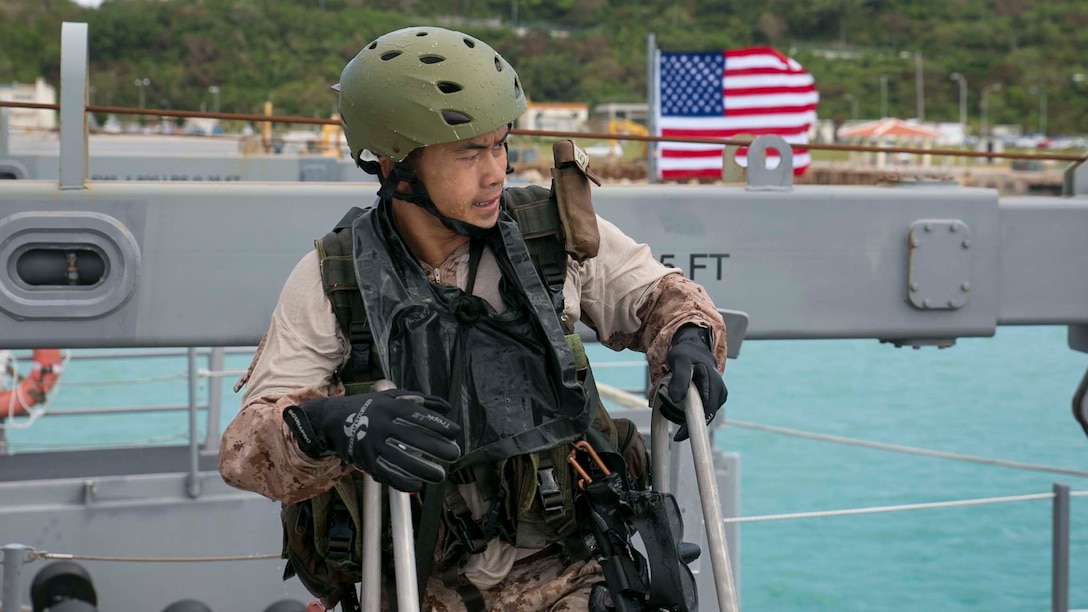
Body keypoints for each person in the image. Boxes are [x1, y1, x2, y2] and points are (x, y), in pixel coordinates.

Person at [218, 25, 728, 612]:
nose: (496, 172)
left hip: (578, 570)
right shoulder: (334, 278)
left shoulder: (549, 236)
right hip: (419, 586)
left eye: (499, 145)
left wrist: (689, 339)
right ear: (394, 164)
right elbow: (245, 453)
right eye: (468, 153)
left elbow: (661, 297)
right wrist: (332, 424)